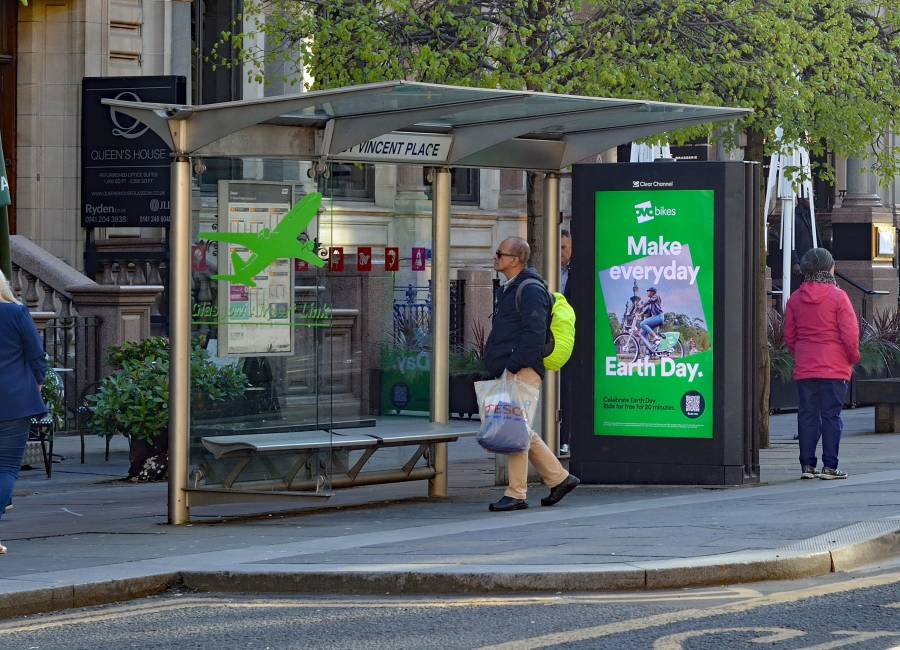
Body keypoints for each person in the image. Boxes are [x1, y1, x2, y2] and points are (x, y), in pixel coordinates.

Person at [483, 237, 579, 512]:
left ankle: (516, 493)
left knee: (514, 429)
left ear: (515, 260)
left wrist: (514, 365)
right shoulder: (511, 288)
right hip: (512, 368)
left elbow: (534, 335)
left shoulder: (530, 289)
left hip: (522, 370)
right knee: (519, 427)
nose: (496, 257)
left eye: (500, 254)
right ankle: (559, 478)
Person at [784, 248, 859, 480]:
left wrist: (802, 353)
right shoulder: (839, 297)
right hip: (834, 367)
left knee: (807, 415)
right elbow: (849, 333)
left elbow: (789, 335)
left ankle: (807, 466)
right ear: (829, 268)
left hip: (806, 366)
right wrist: (852, 356)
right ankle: (830, 466)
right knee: (831, 416)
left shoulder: (795, 299)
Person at [0, 269, 48, 554]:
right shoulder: (16, 313)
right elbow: (36, 354)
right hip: (15, 401)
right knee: (5, 468)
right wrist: (38, 383)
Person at [559, 229, 573, 455]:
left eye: (563, 247)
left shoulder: (576, 274)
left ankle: (565, 438)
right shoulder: (547, 270)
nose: (560, 252)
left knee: (568, 392)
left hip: (569, 341)